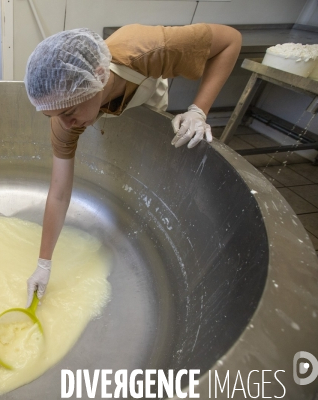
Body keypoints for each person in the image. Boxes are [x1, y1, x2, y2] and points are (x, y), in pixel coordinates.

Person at [23, 23, 242, 307]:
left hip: (145, 99)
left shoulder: (148, 49)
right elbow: (59, 191)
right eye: (52, 116)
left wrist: (198, 110)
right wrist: (44, 263)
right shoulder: (65, 113)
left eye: (68, 112)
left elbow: (231, 42)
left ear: (99, 76)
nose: (64, 124)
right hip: (106, 102)